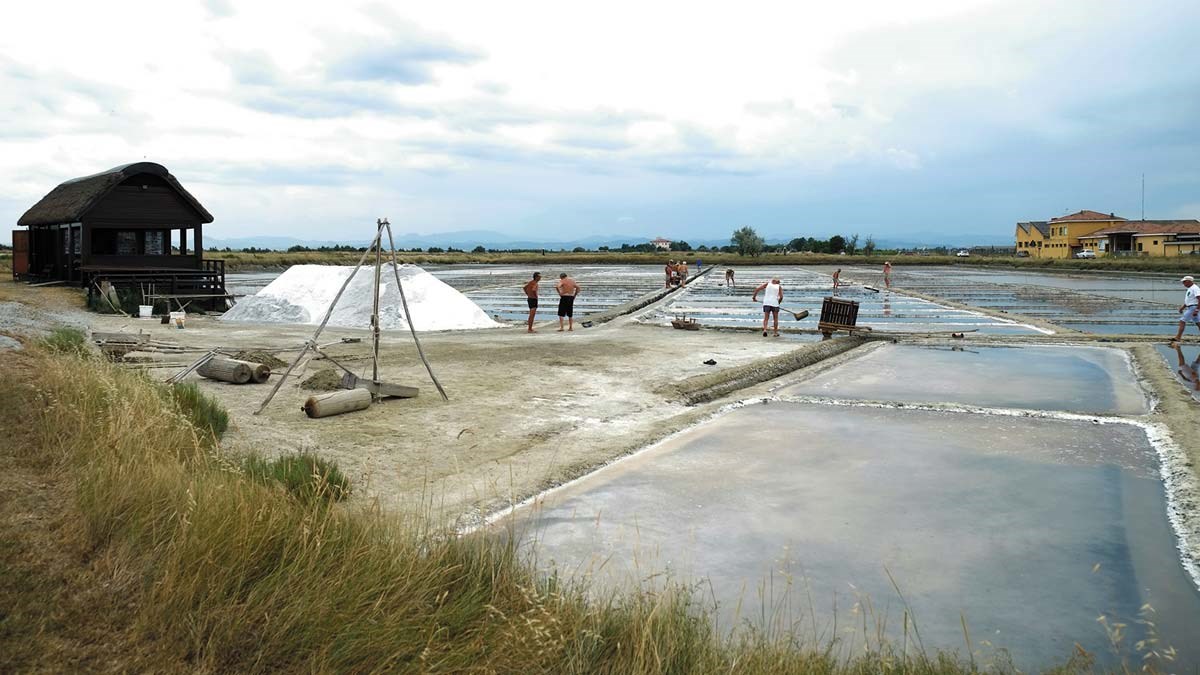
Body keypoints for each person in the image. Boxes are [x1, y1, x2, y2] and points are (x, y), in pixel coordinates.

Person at [1172, 275, 1200, 342]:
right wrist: (1182, 307)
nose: (1183, 283)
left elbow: (1199, 299)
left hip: (1193, 307)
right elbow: (1189, 300)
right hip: (1191, 307)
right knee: (1198, 323)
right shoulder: (1190, 289)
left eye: (1184, 282)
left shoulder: (1195, 288)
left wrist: (1196, 310)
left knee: (1182, 321)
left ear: (1189, 281)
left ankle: (1178, 337)